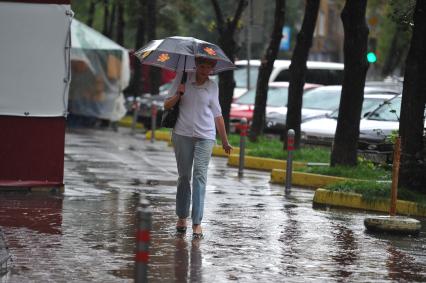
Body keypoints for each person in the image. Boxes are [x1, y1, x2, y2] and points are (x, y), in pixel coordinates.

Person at [164, 56, 232, 239]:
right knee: (184, 176)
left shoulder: (212, 86)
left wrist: (224, 141)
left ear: (212, 69)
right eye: (201, 66)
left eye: (208, 67)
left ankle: (197, 223)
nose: (204, 70)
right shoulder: (183, 77)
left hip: (205, 137)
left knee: (200, 176)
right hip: (182, 134)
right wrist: (178, 94)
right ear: (196, 66)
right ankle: (181, 218)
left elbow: (217, 114)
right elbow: (166, 104)